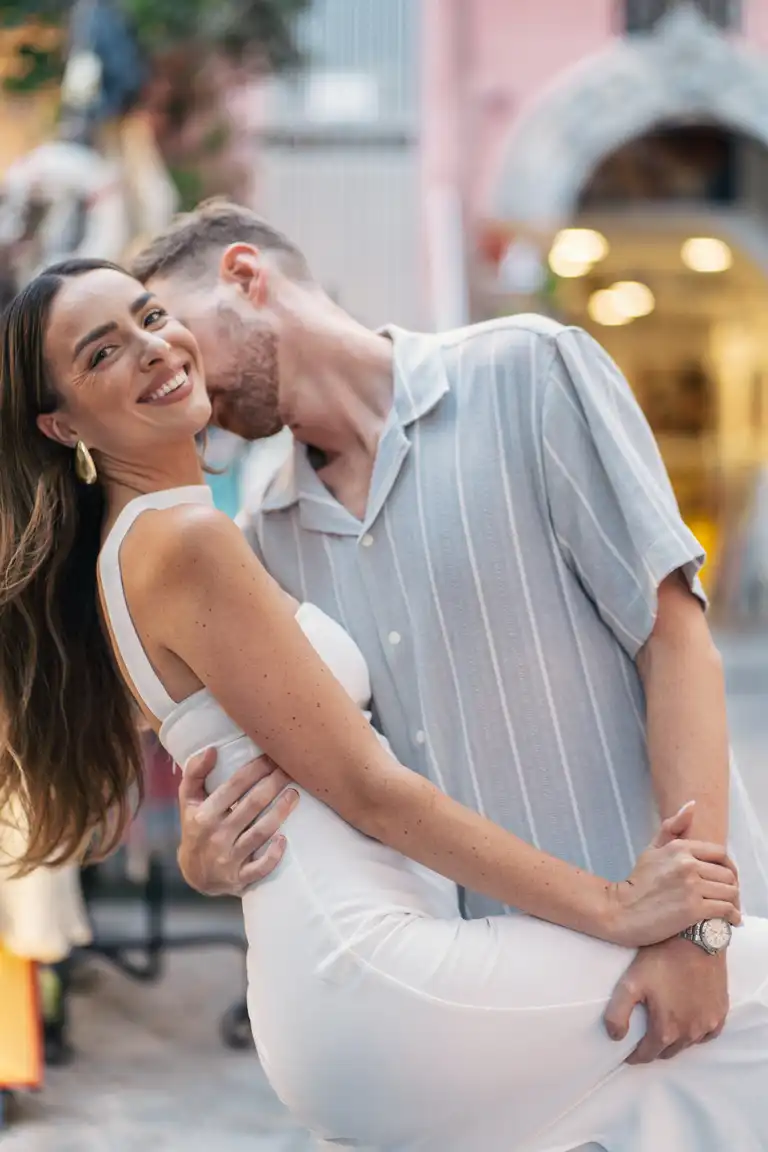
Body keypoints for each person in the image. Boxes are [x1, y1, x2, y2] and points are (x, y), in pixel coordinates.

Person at [0, 260, 767, 1152]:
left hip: (352, 967)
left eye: (150, 316)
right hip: (371, 960)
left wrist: (212, 858)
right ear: (62, 425)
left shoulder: (160, 542)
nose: (158, 350)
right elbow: (369, 787)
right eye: (103, 352)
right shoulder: (199, 538)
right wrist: (618, 908)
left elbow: (232, 747)